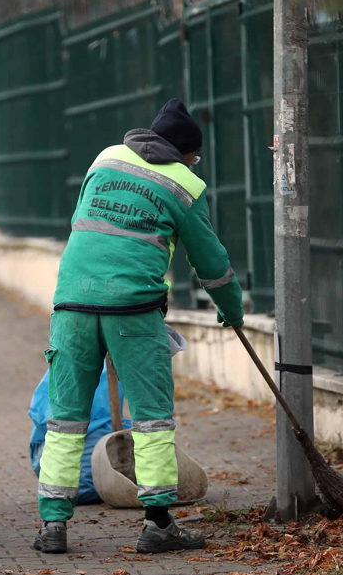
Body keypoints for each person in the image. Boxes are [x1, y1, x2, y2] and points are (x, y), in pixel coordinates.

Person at [33, 98, 245, 555]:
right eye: (196, 156)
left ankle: (52, 526)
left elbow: (89, 228)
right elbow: (211, 264)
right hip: (133, 310)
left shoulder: (104, 159)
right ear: (187, 153)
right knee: (151, 419)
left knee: (65, 418)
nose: (195, 163)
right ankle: (158, 524)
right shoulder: (185, 183)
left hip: (70, 305)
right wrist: (233, 309)